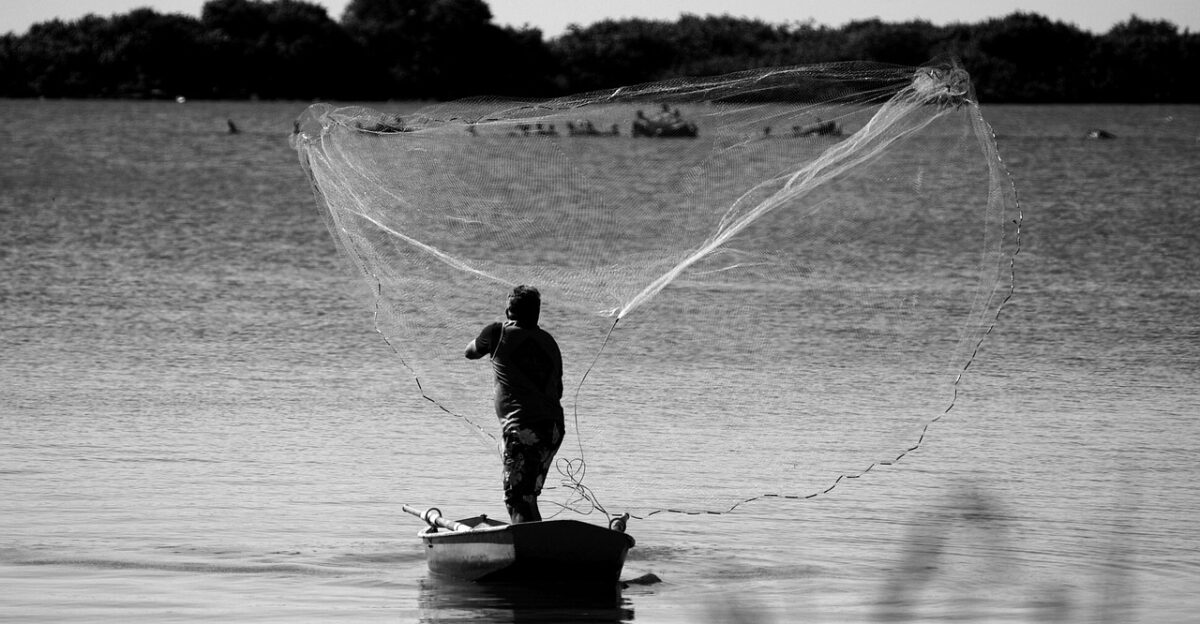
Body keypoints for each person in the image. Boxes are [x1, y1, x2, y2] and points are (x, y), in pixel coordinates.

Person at [465, 285, 564, 523]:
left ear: (509, 310)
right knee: (527, 495)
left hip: (523, 428)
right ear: (537, 314)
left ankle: (530, 552)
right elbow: (557, 389)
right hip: (552, 429)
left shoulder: (496, 332)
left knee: (516, 497)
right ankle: (541, 547)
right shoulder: (549, 341)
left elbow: (470, 352)